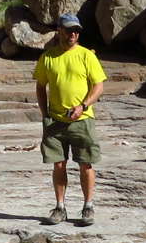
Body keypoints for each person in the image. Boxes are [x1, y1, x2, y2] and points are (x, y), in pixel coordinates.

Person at [32, 13, 107, 226]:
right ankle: (60, 207)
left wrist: (83, 106)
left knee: (86, 164)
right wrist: (44, 114)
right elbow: (40, 86)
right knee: (58, 164)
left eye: (76, 30)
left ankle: (88, 206)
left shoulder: (86, 56)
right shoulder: (48, 57)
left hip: (82, 119)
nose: (73, 34)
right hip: (55, 120)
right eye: (69, 30)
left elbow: (98, 86)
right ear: (59, 31)